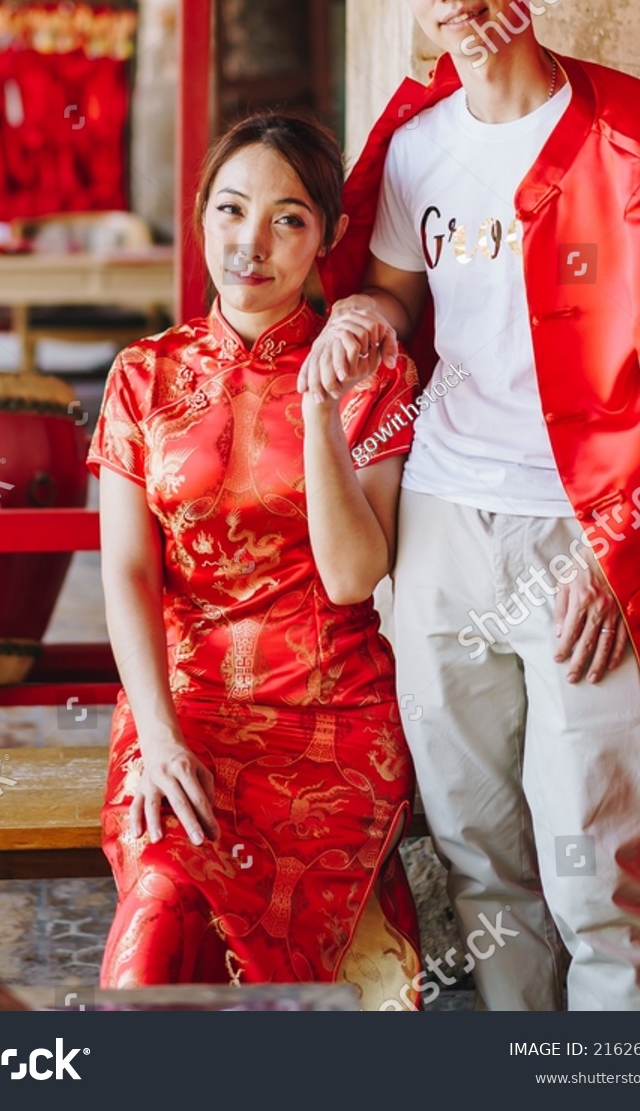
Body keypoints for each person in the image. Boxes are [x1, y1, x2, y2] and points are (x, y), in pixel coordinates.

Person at [300, 0, 640, 1011]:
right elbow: (401, 294)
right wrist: (361, 314)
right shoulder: (412, 147)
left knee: (594, 861)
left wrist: (622, 545)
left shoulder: (639, 144)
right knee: (476, 856)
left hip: (576, 531)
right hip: (443, 523)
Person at [87, 111, 423, 1005]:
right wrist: (154, 737)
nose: (251, 244)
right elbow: (126, 570)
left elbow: (353, 577)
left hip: (330, 718)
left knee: (293, 952)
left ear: (330, 237)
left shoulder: (374, 374)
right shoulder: (141, 375)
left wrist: (318, 407)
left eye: (288, 219)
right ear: (200, 217)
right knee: (163, 896)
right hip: (181, 708)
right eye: (231, 211)